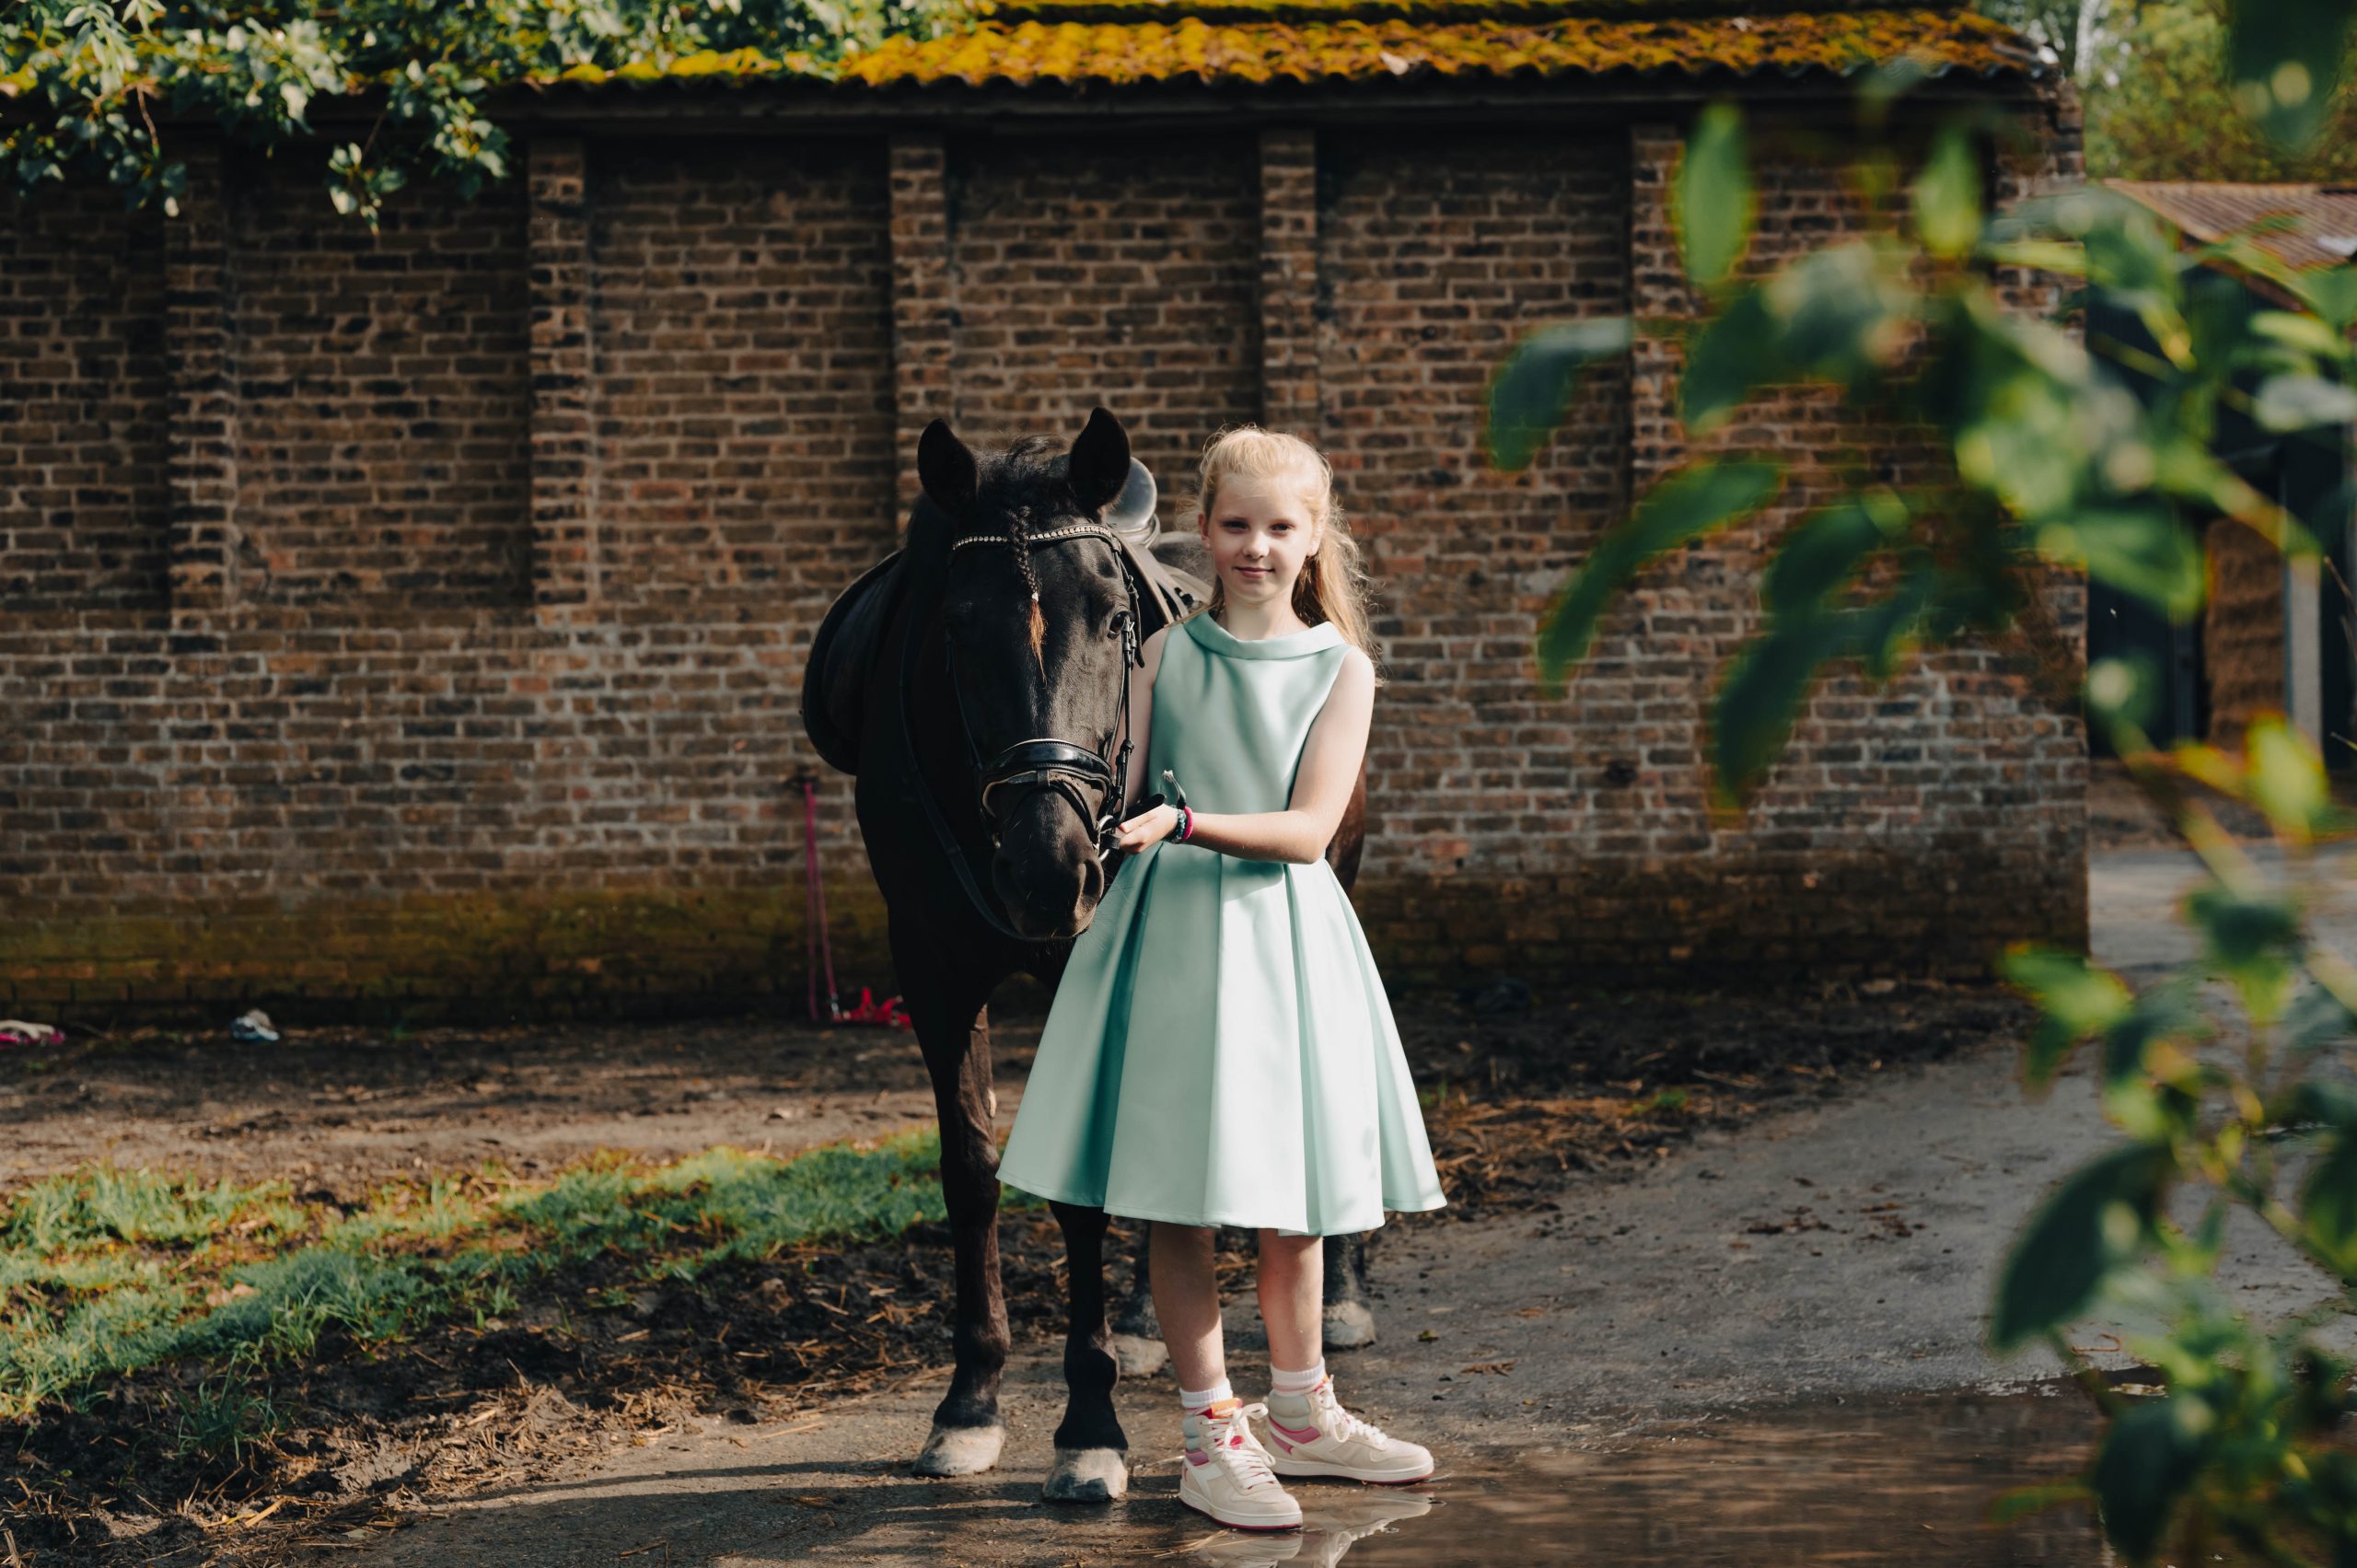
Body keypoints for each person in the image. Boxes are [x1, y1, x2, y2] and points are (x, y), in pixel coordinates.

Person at [999, 426, 1447, 1532]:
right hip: (1172, 943)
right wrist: (1084, 810)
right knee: (1182, 1198)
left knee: (1293, 1203)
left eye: (1279, 527)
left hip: (1288, 942)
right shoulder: (1161, 654)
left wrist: (1186, 816)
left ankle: (1304, 1414)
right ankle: (1210, 1433)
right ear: (1202, 530)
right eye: (1235, 525)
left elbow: (1305, 832)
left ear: (1313, 538)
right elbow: (1125, 785)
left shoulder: (1342, 667)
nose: (1255, 546)